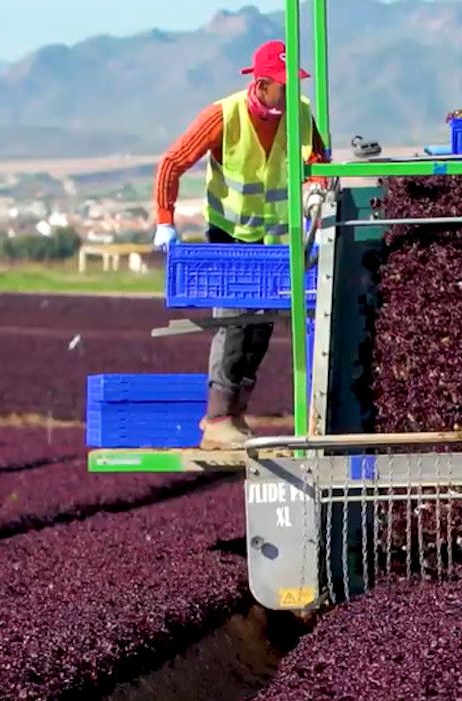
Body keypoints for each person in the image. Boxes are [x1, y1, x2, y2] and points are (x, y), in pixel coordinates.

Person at [152, 39, 329, 450]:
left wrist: (316, 187)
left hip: (275, 237)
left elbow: (317, 158)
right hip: (230, 235)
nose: (287, 94)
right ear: (263, 83)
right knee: (234, 323)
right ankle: (216, 420)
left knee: (261, 328)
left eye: (291, 85)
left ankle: (236, 415)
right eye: (281, 86)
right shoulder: (223, 115)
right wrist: (165, 220)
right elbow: (172, 163)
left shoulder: (299, 112)